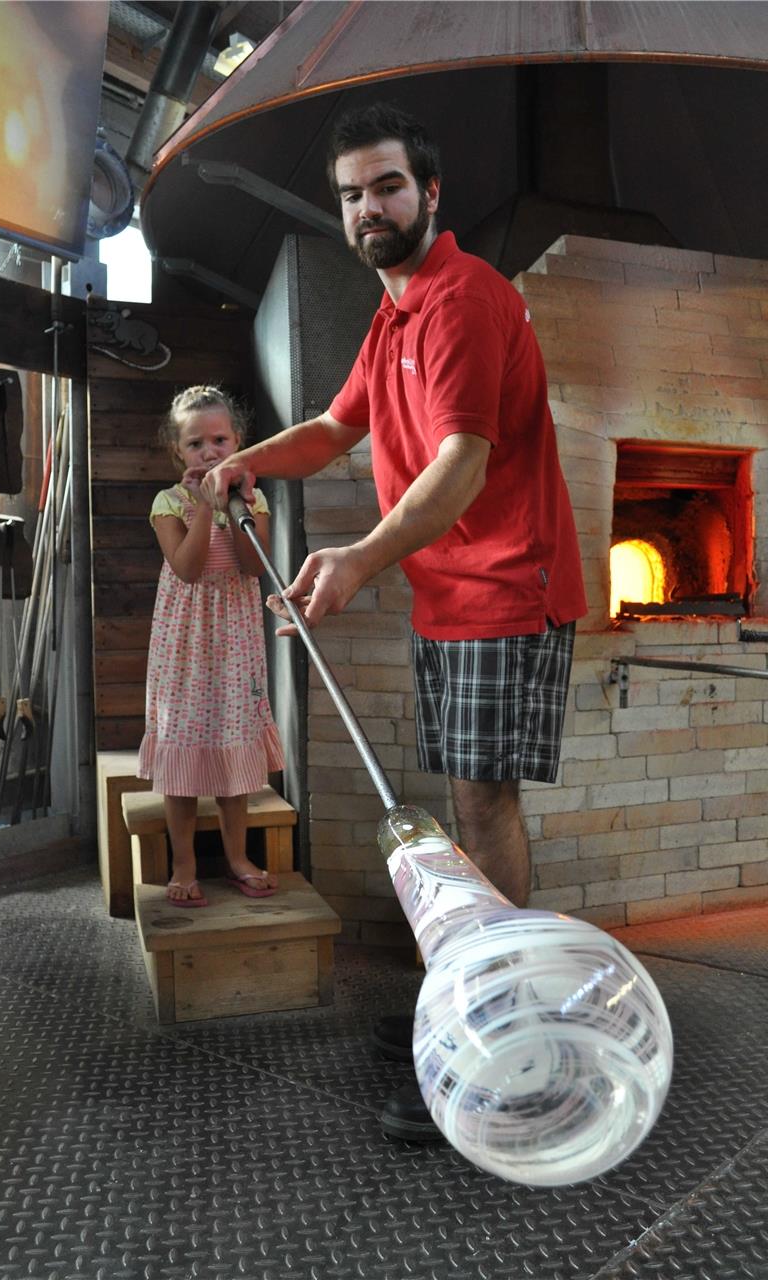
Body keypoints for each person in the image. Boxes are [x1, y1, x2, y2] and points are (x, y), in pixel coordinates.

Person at [203, 103, 587, 1135]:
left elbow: (462, 463)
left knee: (480, 808)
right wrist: (242, 459)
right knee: (466, 805)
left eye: (385, 187)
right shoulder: (393, 316)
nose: (367, 207)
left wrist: (362, 556)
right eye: (351, 194)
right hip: (452, 594)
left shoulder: (462, 299)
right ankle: (469, 997)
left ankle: (500, 1038)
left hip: (505, 588)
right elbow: (335, 427)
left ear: (428, 193)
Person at [138, 385, 285, 907]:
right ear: (179, 451)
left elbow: (252, 567)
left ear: (238, 441)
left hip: (235, 643)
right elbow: (188, 568)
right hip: (185, 647)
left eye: (219, 439)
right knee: (182, 760)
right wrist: (204, 509)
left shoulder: (255, 500)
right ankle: (184, 863)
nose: (210, 452)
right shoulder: (167, 503)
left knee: (230, 750)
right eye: (196, 443)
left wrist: (236, 503)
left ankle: (237, 857)